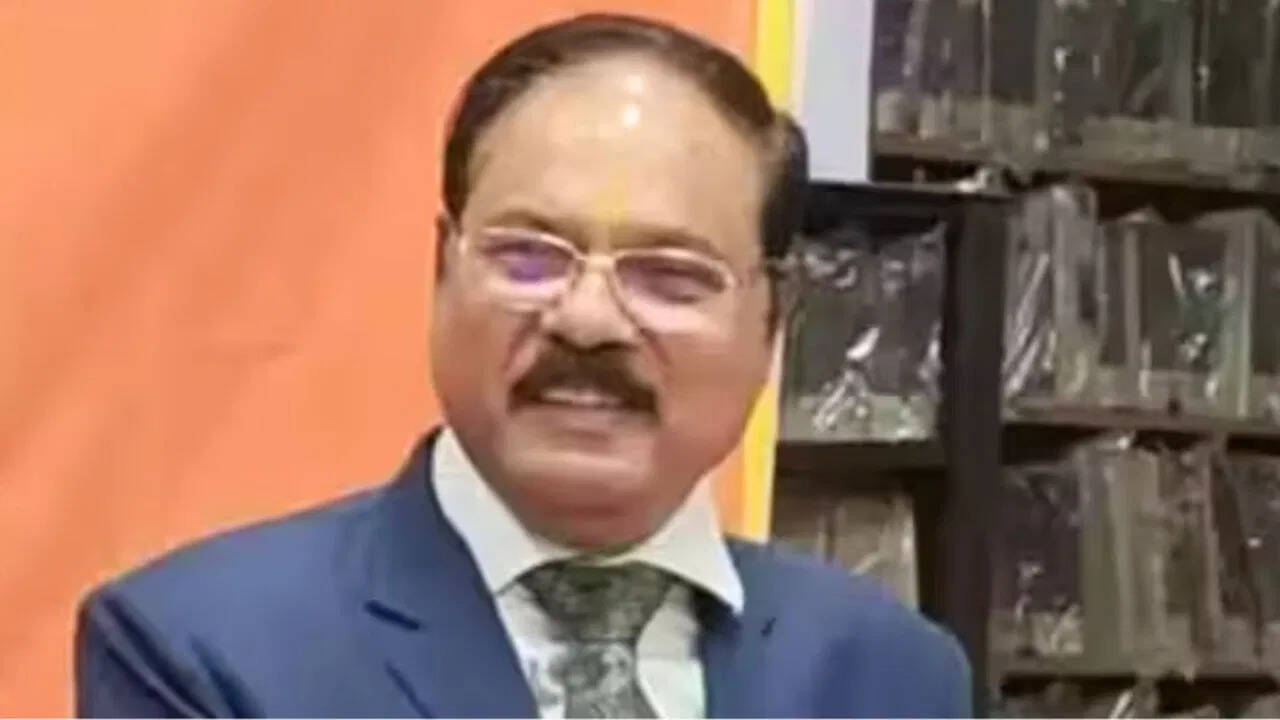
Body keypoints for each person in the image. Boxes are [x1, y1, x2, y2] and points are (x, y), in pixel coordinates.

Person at [75, 13, 971, 718]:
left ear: (771, 322)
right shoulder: (201, 649)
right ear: (442, 271)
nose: (587, 320)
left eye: (669, 275)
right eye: (529, 257)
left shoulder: (891, 674)